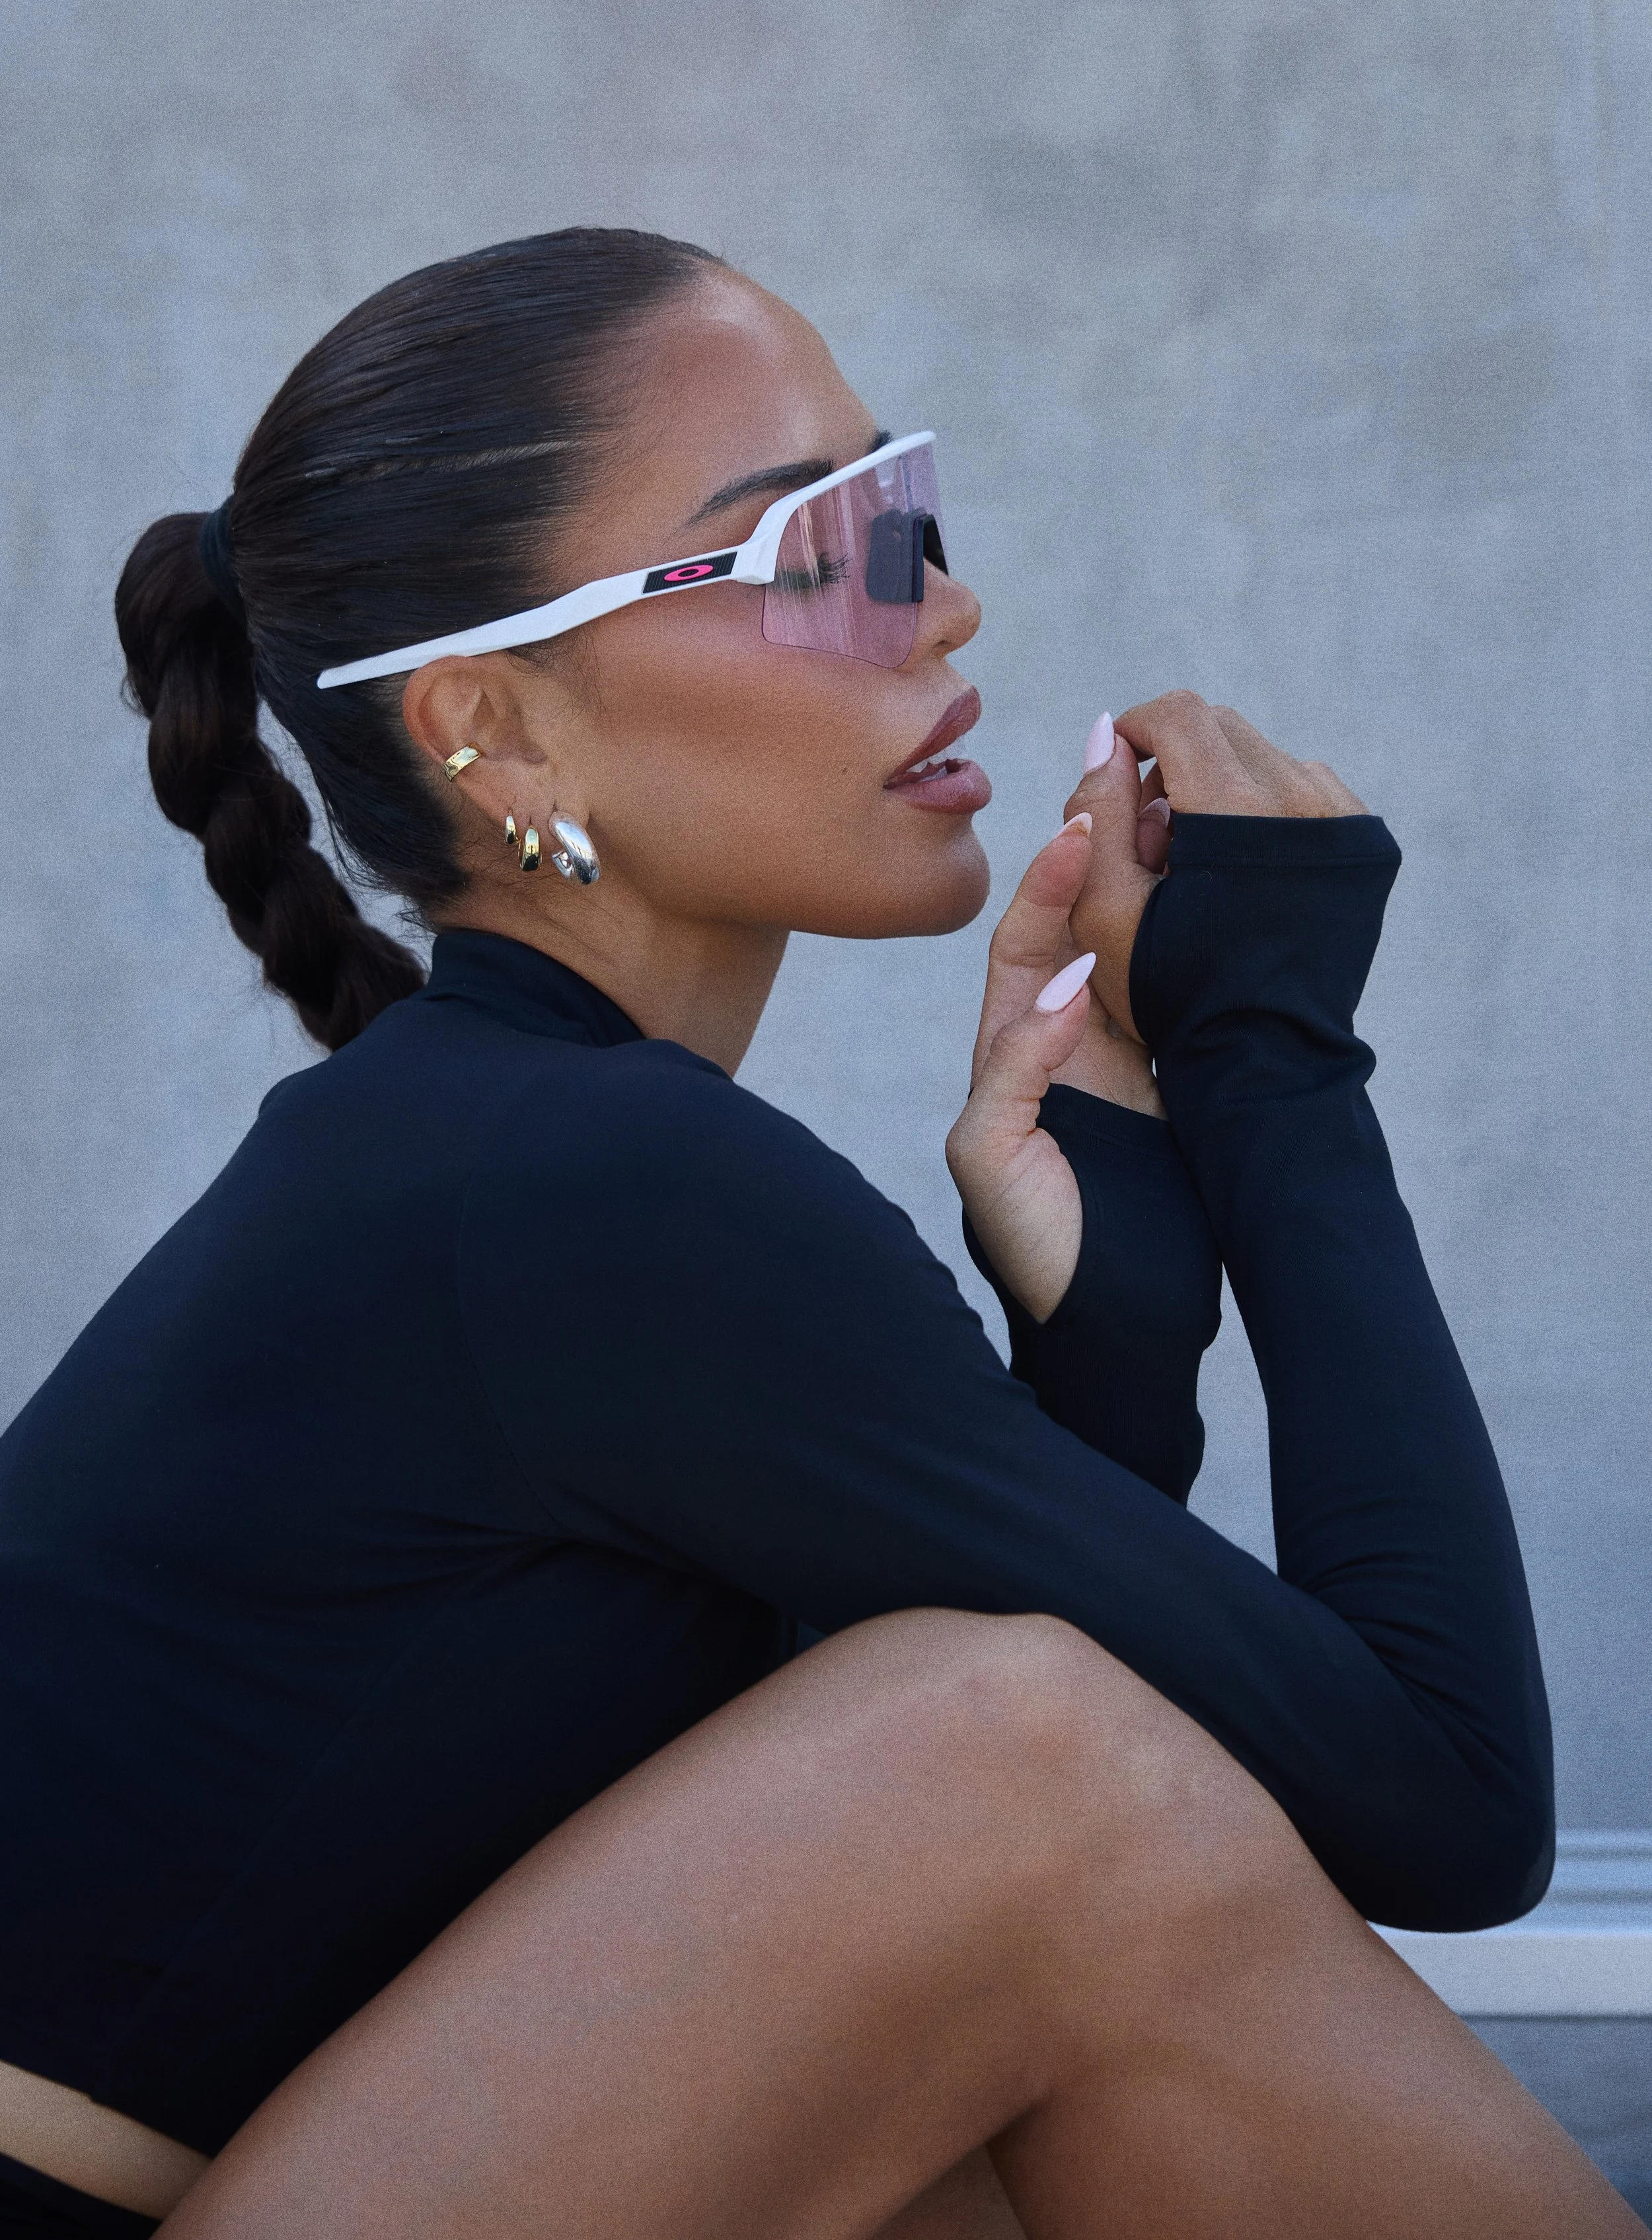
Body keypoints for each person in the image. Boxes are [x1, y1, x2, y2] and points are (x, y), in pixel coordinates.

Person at [0, 229, 1637, 2240]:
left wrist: (1110, 1334)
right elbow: (1446, 1798)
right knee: (1008, 1769)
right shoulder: (587, 1181)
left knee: (986, 1914)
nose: (942, 597)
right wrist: (1275, 1061)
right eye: (819, 546)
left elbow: (976, 1811)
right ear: (494, 733)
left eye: (908, 503)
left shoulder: (513, 1156)